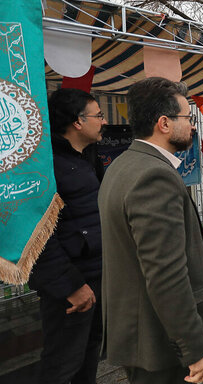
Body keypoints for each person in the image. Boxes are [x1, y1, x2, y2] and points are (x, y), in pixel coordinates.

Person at [99, 78, 203, 384]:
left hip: (140, 333)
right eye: (188, 118)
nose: (193, 127)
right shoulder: (154, 175)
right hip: (160, 344)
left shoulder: (122, 164)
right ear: (164, 123)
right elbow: (165, 273)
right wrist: (196, 348)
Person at [28, 89, 107, 384]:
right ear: (77, 122)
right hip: (71, 286)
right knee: (62, 362)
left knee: (89, 355)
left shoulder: (86, 156)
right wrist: (71, 285)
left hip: (95, 275)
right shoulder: (45, 167)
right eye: (98, 115)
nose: (103, 121)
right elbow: (37, 236)